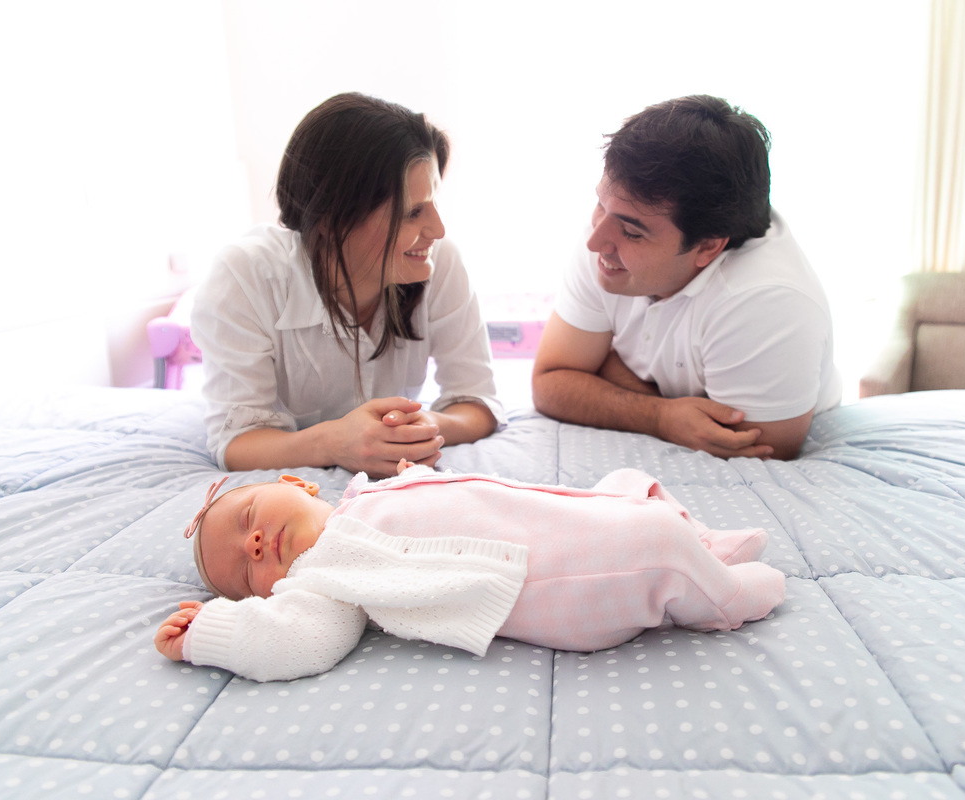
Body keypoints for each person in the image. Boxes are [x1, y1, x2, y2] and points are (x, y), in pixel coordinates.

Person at [154, 464, 786, 682]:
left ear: (295, 483)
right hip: (555, 580)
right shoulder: (326, 576)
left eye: (247, 519)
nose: (256, 542)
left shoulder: (364, 498)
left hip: (558, 519)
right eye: (244, 569)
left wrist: (416, 474)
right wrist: (213, 633)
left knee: (627, 487)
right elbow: (295, 640)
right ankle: (721, 597)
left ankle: (702, 546)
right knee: (654, 539)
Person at [192, 93, 503, 478]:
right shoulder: (244, 277)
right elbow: (236, 441)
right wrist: (337, 442)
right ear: (333, 218)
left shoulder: (440, 262)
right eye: (412, 212)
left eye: (434, 203)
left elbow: (479, 403)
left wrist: (414, 427)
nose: (437, 230)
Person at [532, 95, 842, 461]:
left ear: (708, 246)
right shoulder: (611, 235)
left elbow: (761, 446)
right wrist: (660, 416)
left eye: (633, 233)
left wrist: (604, 370)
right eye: (601, 204)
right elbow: (551, 381)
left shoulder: (766, 300)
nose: (595, 240)